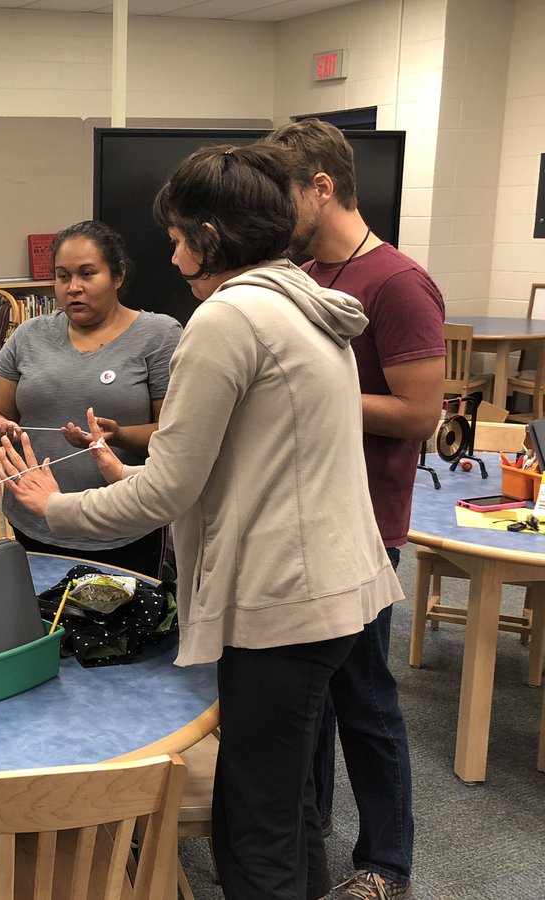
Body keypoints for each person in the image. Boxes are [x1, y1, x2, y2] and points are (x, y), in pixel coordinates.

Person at [0, 143, 403, 900]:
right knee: (287, 808)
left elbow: (166, 497)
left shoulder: (227, 318)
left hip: (283, 604)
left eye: (180, 236)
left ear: (211, 236)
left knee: (252, 831)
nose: (174, 254)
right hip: (335, 592)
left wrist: (54, 507)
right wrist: (137, 469)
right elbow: (249, 461)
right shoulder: (301, 302)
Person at [268, 117, 443, 900]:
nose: (273, 211)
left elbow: (418, 414)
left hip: (367, 526)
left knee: (364, 699)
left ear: (322, 187)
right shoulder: (308, 275)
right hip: (306, 520)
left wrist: (315, 390)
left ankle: (386, 864)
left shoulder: (398, 282)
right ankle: (316, 832)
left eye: (282, 193)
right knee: (312, 702)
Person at [0, 220, 181, 577]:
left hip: (121, 524)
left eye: (87, 274)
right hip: (35, 521)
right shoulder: (29, 335)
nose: (73, 288)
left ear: (117, 275)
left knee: (121, 626)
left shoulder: (159, 335)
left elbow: (175, 434)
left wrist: (119, 435)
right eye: (63, 276)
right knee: (40, 624)